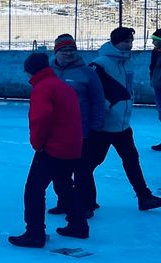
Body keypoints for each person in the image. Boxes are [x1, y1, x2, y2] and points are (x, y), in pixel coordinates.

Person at [10, 54, 89, 248]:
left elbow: (40, 120)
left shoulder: (43, 88)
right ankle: (78, 225)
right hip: (71, 146)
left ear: (30, 70)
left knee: (34, 189)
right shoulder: (61, 85)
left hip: (53, 147)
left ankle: (35, 233)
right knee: (63, 185)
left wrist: (38, 144)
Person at [86, 27, 161, 211]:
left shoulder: (127, 61)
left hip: (123, 124)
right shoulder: (100, 63)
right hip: (104, 126)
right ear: (115, 42)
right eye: (125, 41)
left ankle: (144, 197)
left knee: (132, 160)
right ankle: (84, 200)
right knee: (89, 164)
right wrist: (105, 107)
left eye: (130, 41)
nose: (129, 45)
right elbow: (92, 91)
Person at [48, 34, 104, 219]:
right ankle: (64, 201)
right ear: (56, 51)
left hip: (82, 131)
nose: (69, 53)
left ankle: (87, 204)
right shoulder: (49, 71)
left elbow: (97, 100)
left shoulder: (87, 72)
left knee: (82, 171)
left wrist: (96, 126)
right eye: (64, 50)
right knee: (59, 170)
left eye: (72, 49)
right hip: (56, 131)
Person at [150, 29, 161, 151]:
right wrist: (151, 79)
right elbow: (152, 67)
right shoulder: (155, 52)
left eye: (156, 40)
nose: (153, 42)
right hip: (158, 87)